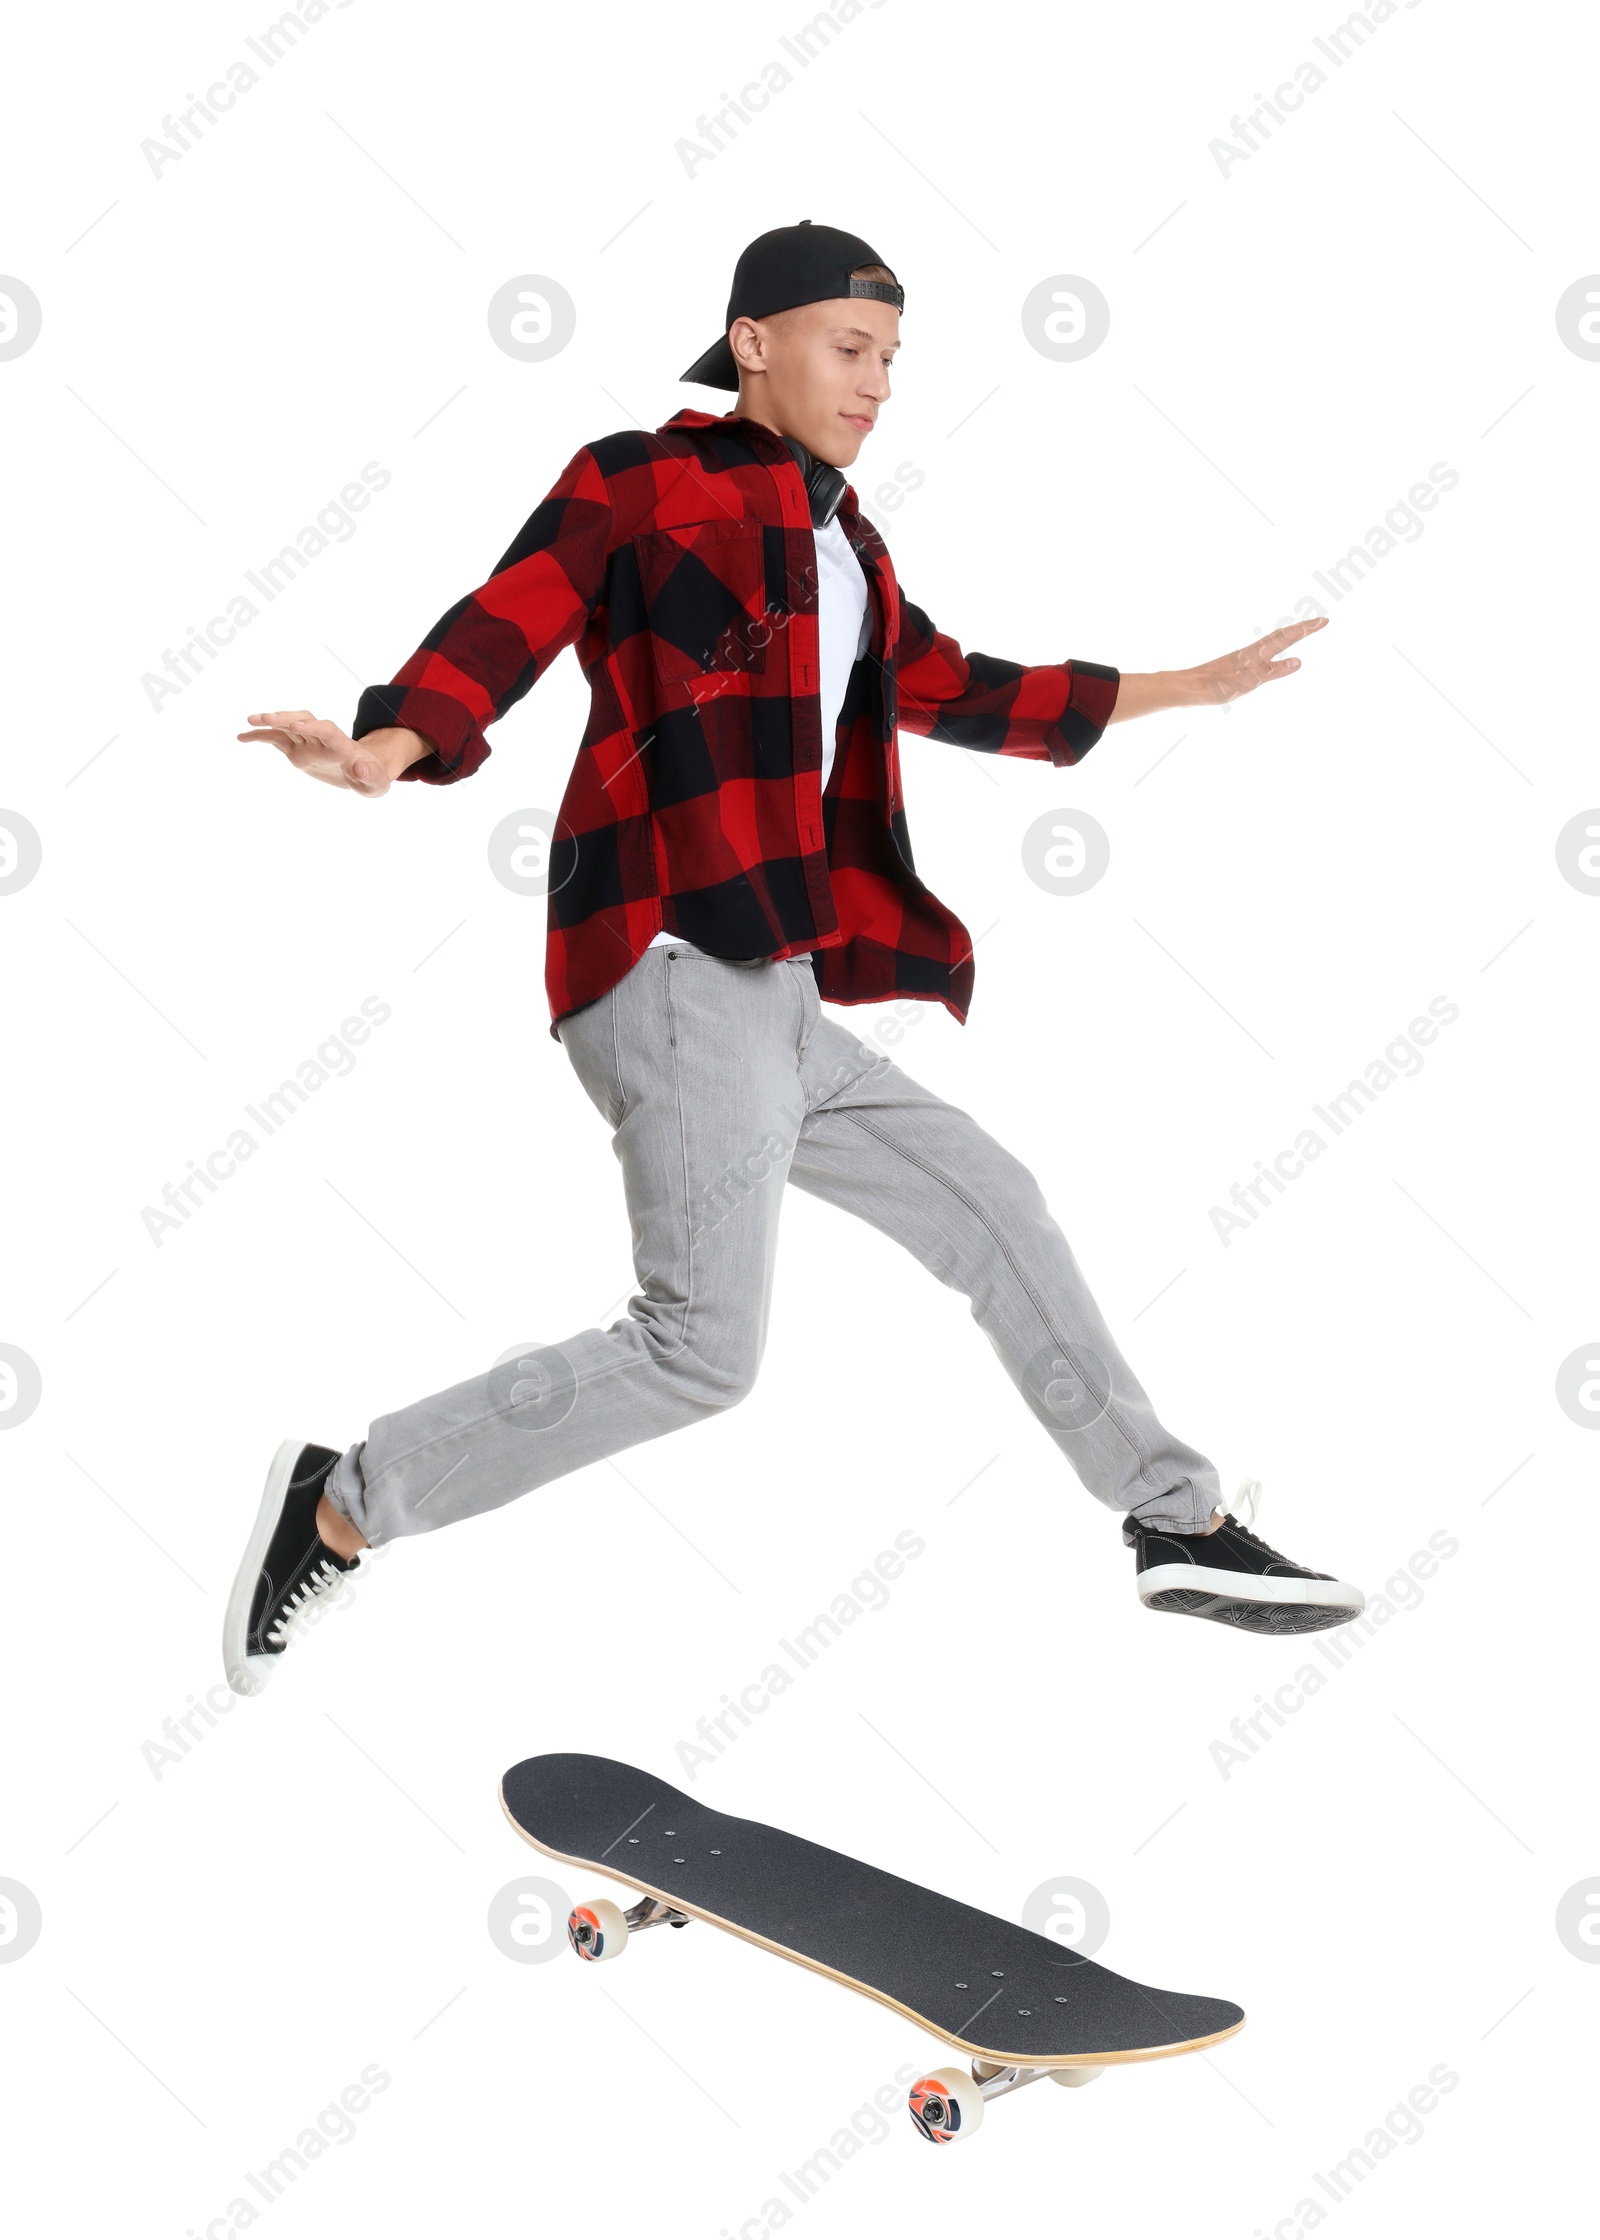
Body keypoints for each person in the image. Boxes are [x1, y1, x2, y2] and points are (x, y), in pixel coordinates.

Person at [223, 220, 1363, 1697]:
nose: (879, 381)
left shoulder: (848, 544)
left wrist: (1179, 688)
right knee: (700, 1350)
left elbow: (954, 686)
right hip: (669, 957)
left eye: (893, 358)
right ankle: (342, 1503)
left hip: (774, 986)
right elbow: (512, 615)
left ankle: (1177, 1521)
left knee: (994, 1205)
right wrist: (387, 747)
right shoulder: (639, 480)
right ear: (753, 342)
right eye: (851, 345)